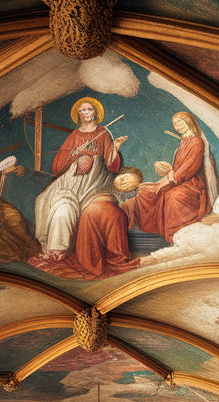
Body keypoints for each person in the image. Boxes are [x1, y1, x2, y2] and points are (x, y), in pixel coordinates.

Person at [28, 98, 139, 280]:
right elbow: (57, 167)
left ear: (95, 112)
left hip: (93, 183)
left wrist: (115, 148)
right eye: (82, 110)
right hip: (71, 181)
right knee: (54, 205)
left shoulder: (103, 133)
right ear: (78, 115)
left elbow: (112, 166)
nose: (86, 113)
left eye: (89, 109)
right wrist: (74, 154)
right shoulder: (75, 135)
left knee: (85, 209)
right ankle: (56, 251)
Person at [123, 111, 217, 243]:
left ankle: (174, 235)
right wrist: (167, 173)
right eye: (175, 123)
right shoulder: (183, 142)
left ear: (188, 121)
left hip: (192, 184)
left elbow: (189, 168)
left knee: (172, 196)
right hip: (178, 181)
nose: (177, 126)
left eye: (180, 122)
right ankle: (143, 229)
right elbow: (178, 169)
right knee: (144, 189)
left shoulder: (197, 142)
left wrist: (162, 183)